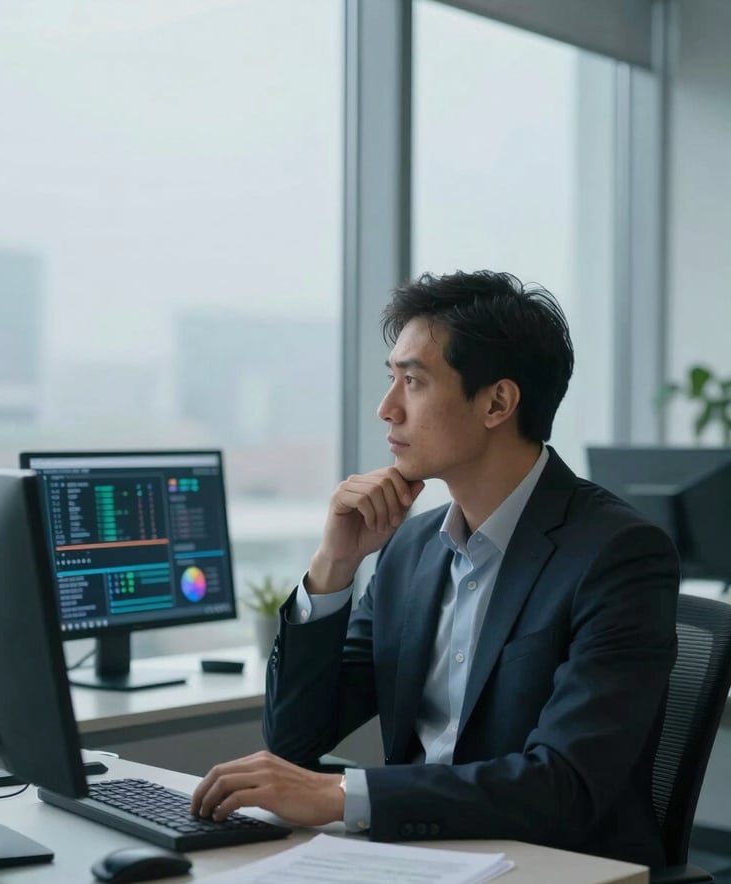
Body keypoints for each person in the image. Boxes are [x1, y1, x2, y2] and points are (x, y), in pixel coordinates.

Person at [191, 269, 679, 867]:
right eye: (391, 380)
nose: (386, 409)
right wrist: (334, 564)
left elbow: (566, 785)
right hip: (418, 854)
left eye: (413, 382)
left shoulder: (618, 554)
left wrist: (339, 794)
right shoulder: (412, 547)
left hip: (553, 865)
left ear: (497, 402)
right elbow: (295, 739)